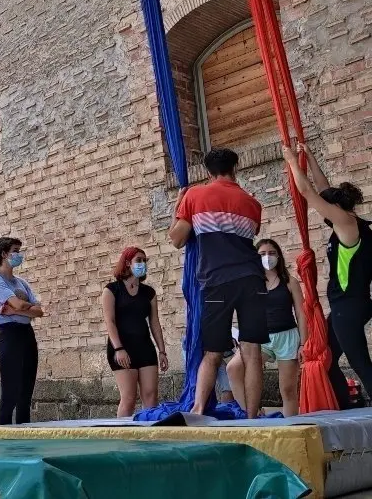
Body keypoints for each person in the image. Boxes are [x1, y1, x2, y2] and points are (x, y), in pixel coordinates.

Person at [169, 148, 268, 418]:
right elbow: (254, 231)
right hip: (251, 279)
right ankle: (252, 415)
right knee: (252, 351)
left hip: (216, 281)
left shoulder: (195, 195)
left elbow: (177, 239)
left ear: (208, 171)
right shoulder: (252, 203)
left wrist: (180, 207)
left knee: (211, 351)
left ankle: (199, 409)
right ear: (235, 168)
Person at [283, 143, 372, 408]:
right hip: (347, 306)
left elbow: (309, 192)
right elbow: (322, 190)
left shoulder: (347, 225)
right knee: (328, 360)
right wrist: (309, 157)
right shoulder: (349, 222)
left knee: (360, 364)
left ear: (337, 208)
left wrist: (290, 160)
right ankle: (345, 408)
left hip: (349, 306)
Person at [227, 239, 308, 417]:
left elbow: (301, 314)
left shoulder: (289, 282)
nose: (267, 257)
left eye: (271, 253)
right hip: (260, 339)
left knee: (288, 390)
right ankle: (253, 413)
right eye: (262, 254)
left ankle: (291, 429)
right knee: (233, 368)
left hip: (287, 337)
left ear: (278, 256)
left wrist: (304, 343)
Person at [102, 247, 169, 417]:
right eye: (138, 260)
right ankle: (124, 442)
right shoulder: (111, 290)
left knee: (151, 396)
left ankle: (149, 440)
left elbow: (154, 323)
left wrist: (162, 351)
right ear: (127, 263)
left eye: (145, 261)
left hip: (145, 348)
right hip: (122, 348)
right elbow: (109, 322)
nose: (143, 264)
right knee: (129, 398)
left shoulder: (149, 292)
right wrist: (118, 349)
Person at [0, 237, 44, 425]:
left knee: (25, 392)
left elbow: (39, 311)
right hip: (10, 334)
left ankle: (23, 433)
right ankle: (4, 432)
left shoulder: (21, 282)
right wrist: (24, 308)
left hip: (27, 334)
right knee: (11, 390)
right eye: (15, 250)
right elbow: (22, 303)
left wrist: (16, 310)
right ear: (4, 254)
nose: (19, 255)